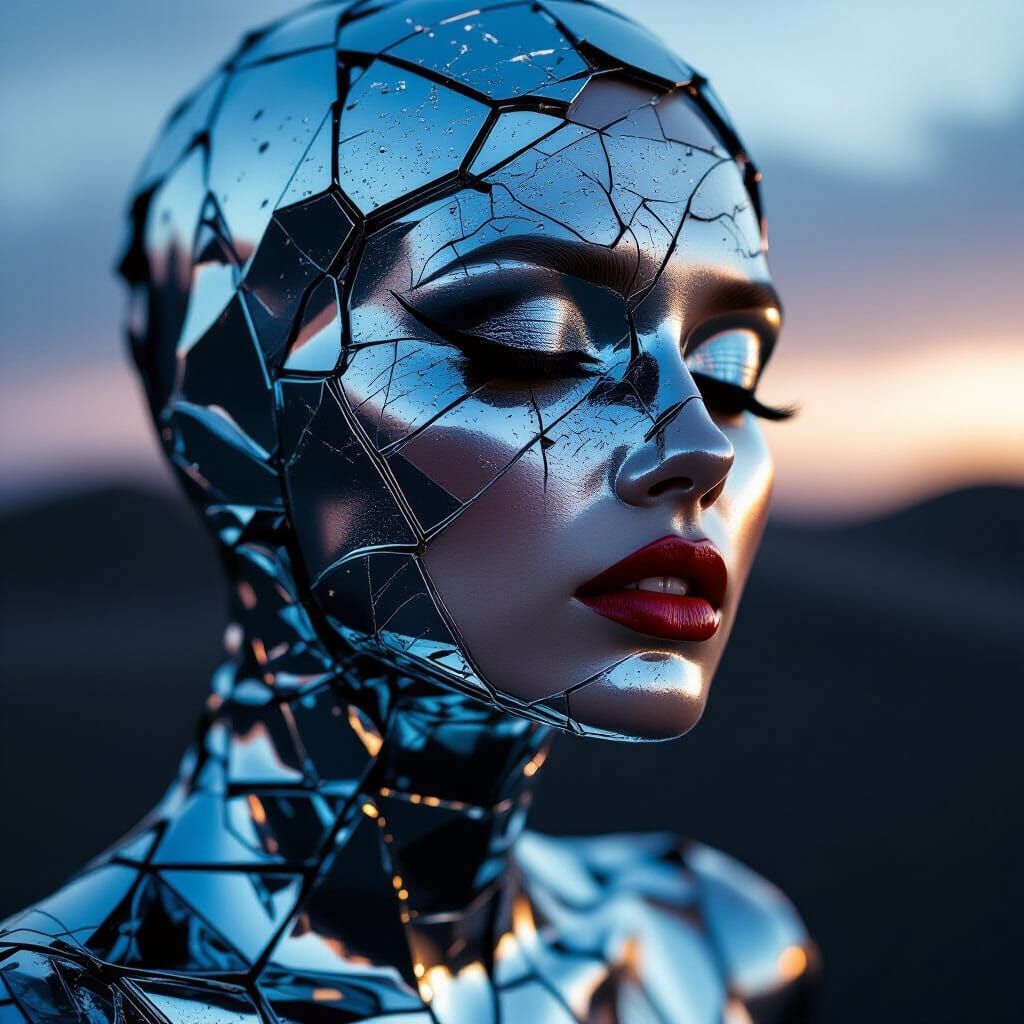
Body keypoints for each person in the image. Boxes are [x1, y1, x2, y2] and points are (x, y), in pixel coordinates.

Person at [0, 1, 817, 1020]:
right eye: (531, 340)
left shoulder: (713, 952)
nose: (699, 445)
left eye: (731, 373)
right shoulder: (63, 1005)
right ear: (231, 408)